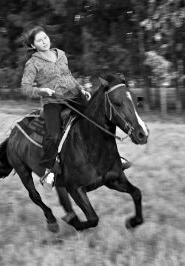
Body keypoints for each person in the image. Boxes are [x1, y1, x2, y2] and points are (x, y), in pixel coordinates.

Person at [20, 26, 131, 187]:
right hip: (53, 101)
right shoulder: (32, 63)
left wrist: (81, 89)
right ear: (33, 46)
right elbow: (25, 87)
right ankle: (50, 168)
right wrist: (42, 90)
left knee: (99, 121)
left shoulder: (60, 54)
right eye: (39, 40)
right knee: (54, 136)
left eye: (45, 37)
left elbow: (69, 76)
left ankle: (114, 157)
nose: (44, 41)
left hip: (74, 95)